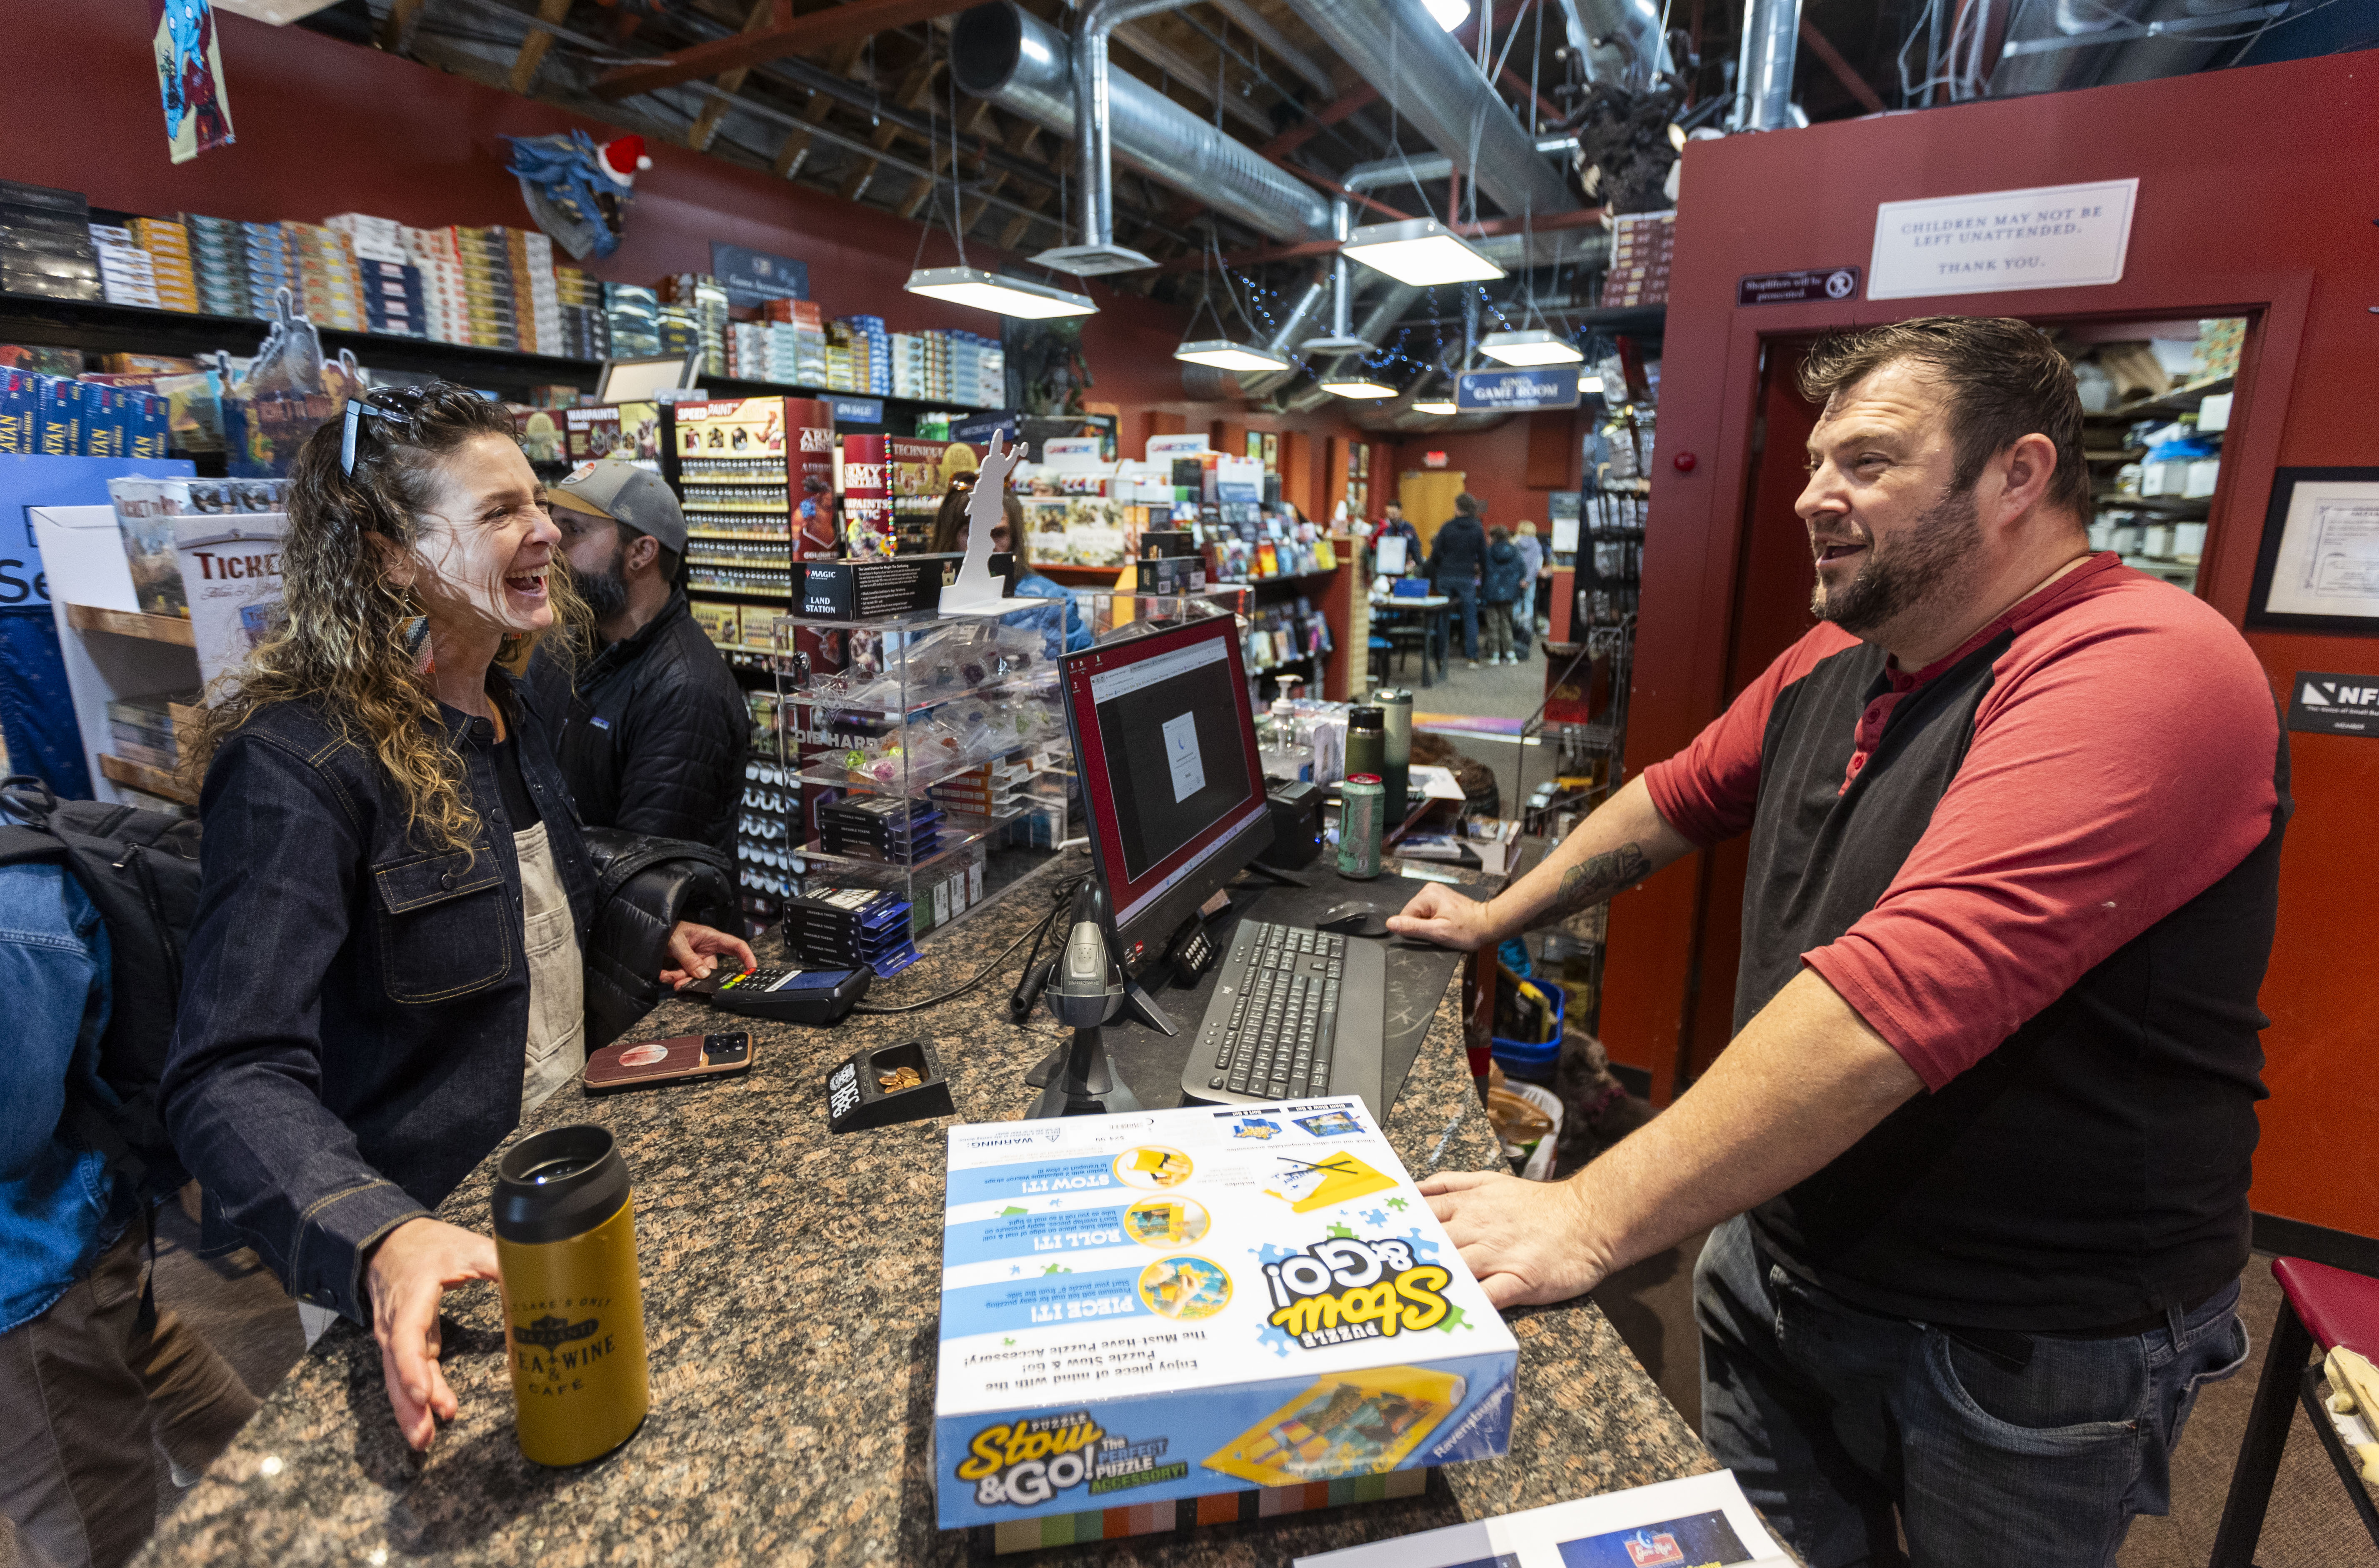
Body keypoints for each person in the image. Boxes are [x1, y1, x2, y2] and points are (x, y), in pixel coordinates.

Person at [1390, 317, 2283, 1567]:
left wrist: (1587, 1216)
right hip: (1778, 1255)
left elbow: (1898, 994)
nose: (1814, 494)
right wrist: (1497, 911)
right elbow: (1676, 796)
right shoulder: (1844, 651)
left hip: (2020, 1338)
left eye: (1867, 461)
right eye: (1816, 463)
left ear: (2017, 474)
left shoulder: (2145, 665)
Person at [161, 385, 754, 1455]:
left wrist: (640, 925)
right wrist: (379, 1237)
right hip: (419, 1256)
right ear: (391, 558)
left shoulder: (507, 705)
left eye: (537, 502)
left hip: (553, 1193)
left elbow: (521, 888)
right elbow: (228, 1071)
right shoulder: (299, 765)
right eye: (498, 512)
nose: (545, 531)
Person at [0, 826, 257, 1568]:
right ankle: (284, 1500)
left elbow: (9, 1134)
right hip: (68, 1239)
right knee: (149, 1358)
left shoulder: (13, 914)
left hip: (36, 1274)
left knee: (82, 1519)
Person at [533, 460, 747, 859]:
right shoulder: (559, 649)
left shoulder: (686, 691)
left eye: (573, 530)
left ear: (641, 552)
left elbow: (643, 863)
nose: (552, 547)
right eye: (554, 526)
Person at [929, 482, 1091, 655]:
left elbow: (1085, 665)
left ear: (1014, 539)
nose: (989, 545)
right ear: (950, 539)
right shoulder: (934, 598)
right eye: (975, 533)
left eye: (999, 534)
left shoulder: (1050, 599)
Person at [1427, 492, 1488, 668]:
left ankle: (1440, 656)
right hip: (1466, 577)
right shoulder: (1477, 529)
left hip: (1446, 575)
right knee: (1470, 617)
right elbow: (1483, 556)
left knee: (1443, 616)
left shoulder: (1447, 527)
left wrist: (1441, 566)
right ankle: (1472, 657)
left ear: (1458, 508)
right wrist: (1482, 574)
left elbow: (1436, 553)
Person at [1481, 524, 1524, 665]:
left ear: (1494, 537)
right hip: (1509, 594)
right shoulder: (1515, 551)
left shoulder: (1488, 552)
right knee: (1507, 624)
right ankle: (1511, 655)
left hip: (1491, 593)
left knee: (1493, 625)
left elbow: (1483, 570)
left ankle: (1495, 655)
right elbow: (1523, 570)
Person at [1510, 520, 1545, 657]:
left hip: (1516, 580)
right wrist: (1528, 580)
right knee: (1529, 604)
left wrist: (1519, 579)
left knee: (1516, 605)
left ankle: (1516, 632)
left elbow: (1513, 563)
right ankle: (1527, 633)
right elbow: (1536, 566)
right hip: (1530, 582)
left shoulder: (1514, 543)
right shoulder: (1537, 545)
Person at [1374, 500, 1423, 577]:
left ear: (1401, 512)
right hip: (1386, 567)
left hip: (1406, 568)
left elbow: (1416, 549)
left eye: (1394, 514)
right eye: (1389, 514)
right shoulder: (1383, 529)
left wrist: (1416, 565)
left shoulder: (1409, 529)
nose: (1392, 517)